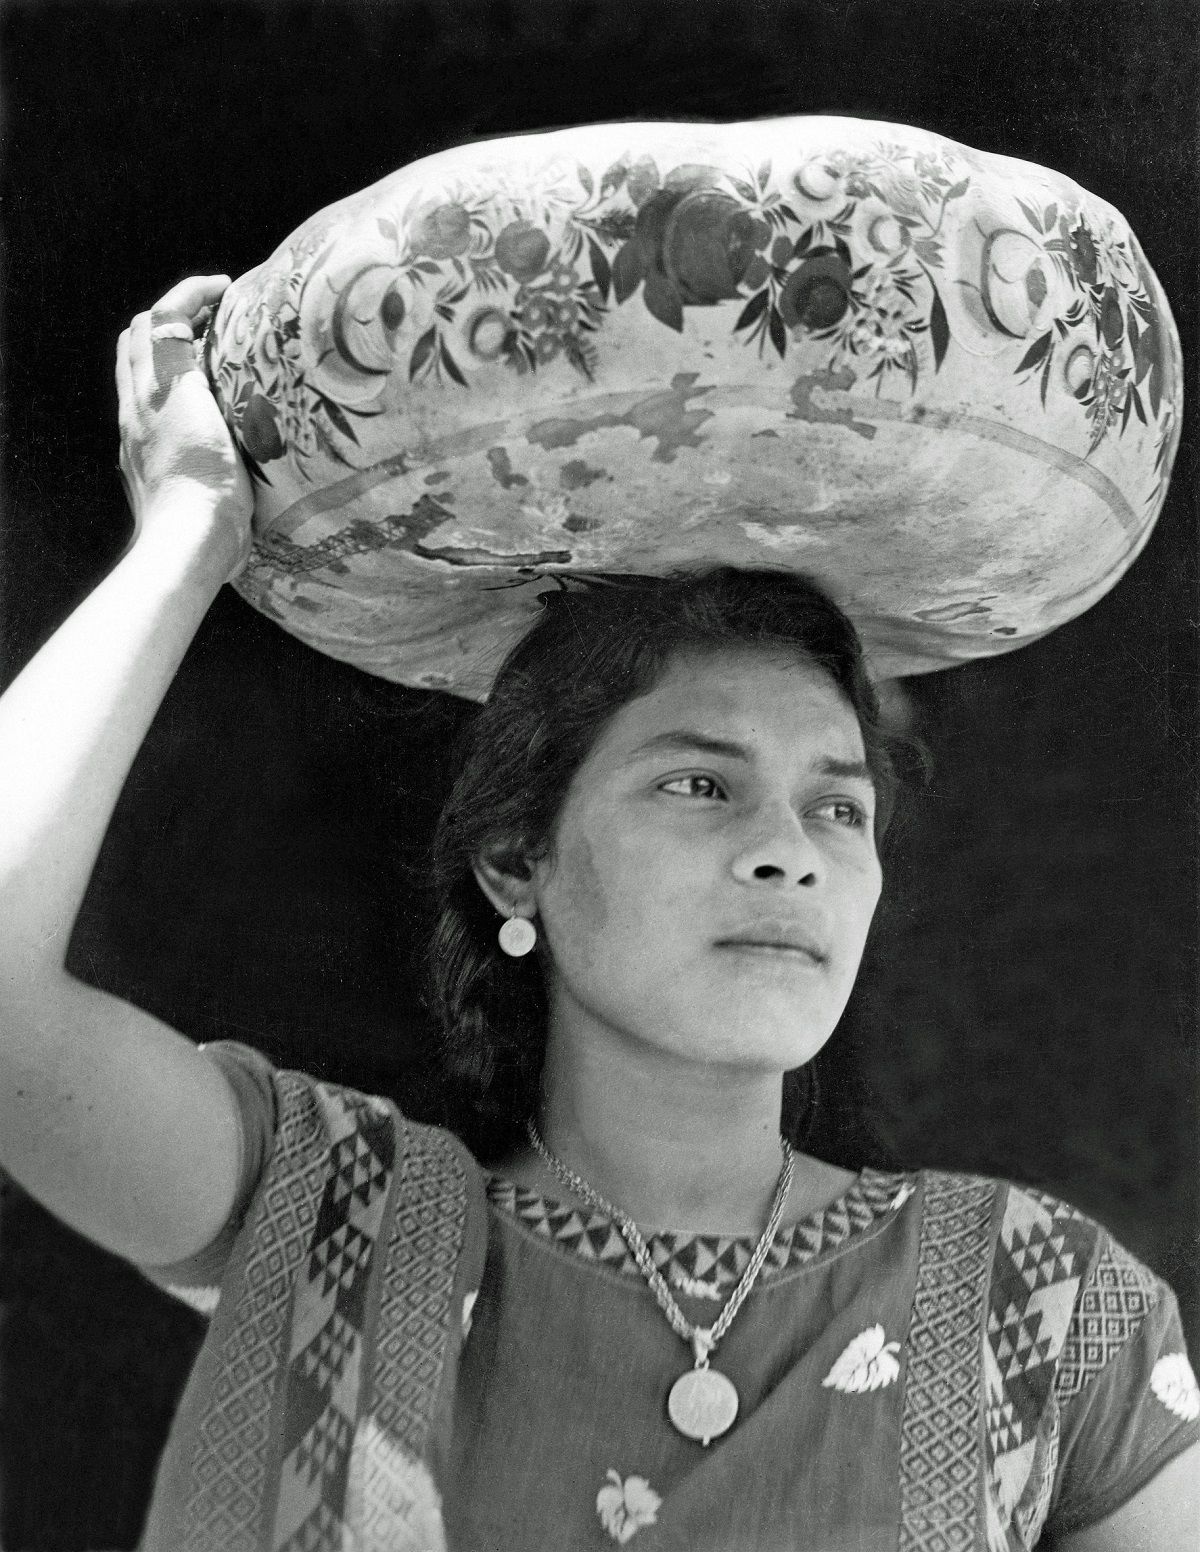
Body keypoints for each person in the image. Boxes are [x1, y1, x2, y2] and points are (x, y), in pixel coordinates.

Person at [0, 274, 1197, 1552]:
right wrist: (187, 532)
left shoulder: (1045, 1308)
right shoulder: (332, 1229)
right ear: (517, 861)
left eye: (838, 809)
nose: (786, 854)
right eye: (700, 784)